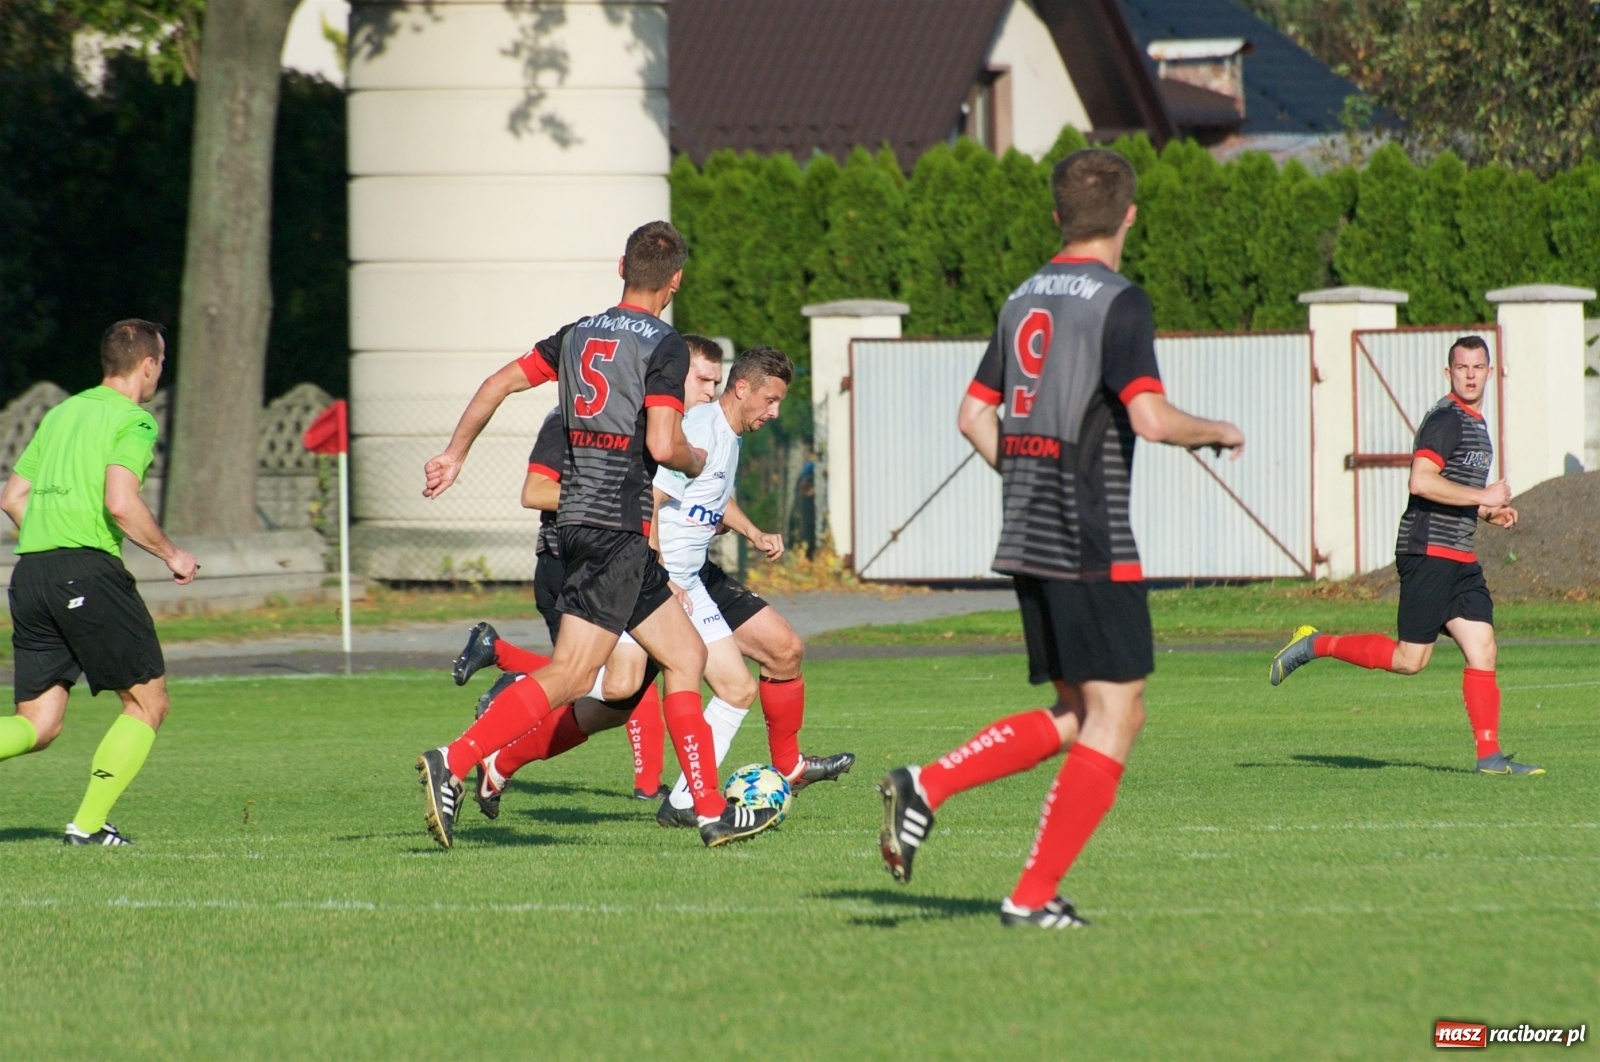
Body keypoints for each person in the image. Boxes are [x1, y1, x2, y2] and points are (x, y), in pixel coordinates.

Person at [877, 149, 1245, 929]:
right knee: (1121, 713)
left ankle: (929, 784)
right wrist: (1214, 430)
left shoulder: (1022, 297)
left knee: (1080, 712)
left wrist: (1024, 479)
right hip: (1088, 536)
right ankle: (1030, 895)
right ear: (1130, 216)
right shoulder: (1119, 301)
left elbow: (974, 416)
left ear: (1056, 216)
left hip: (1027, 534)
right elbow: (1148, 417)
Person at [414, 221, 781, 849]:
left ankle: (711, 810)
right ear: (675, 283)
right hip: (616, 524)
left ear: (621, 268)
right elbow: (664, 444)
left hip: (586, 524)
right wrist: (696, 459)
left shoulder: (577, 333)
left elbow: (500, 382)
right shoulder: (664, 346)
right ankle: (458, 757)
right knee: (571, 674)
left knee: (686, 656)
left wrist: (455, 452)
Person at [455, 345, 854, 826]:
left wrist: (750, 530)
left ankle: (687, 800)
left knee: (731, 687)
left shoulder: (727, 435)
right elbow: (653, 498)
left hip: (689, 580)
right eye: (770, 401)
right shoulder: (698, 428)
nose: (774, 412)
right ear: (743, 388)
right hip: (652, 578)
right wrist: (660, 571)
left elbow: (707, 496)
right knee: (614, 687)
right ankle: (512, 694)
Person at [447, 336, 727, 811]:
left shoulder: (654, 421)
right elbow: (536, 490)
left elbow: (659, 495)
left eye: (714, 383)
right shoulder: (572, 421)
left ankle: (703, 806)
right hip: (580, 560)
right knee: (598, 679)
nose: (706, 391)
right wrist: (613, 510)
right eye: (701, 379)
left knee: (636, 681)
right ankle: (492, 713)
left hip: (626, 557)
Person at [1269, 335, 1541, 776]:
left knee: (1483, 647)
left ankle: (1489, 758)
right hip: (1427, 552)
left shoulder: (1477, 424)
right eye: (1462, 368)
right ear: (1448, 372)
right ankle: (1315, 644)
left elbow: (1452, 490)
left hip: (1459, 557)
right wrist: (1482, 493)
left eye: (1478, 367)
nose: (1470, 375)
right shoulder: (1445, 420)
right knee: (1409, 660)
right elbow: (1421, 481)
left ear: (1491, 372)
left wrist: (1489, 511)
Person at [0, 319, 199, 845]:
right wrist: (172, 554)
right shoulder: (132, 421)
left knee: (37, 725)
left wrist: (54, 539)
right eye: (161, 363)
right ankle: (88, 827)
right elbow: (120, 501)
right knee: (147, 702)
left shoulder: (62, 413)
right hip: (85, 571)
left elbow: (12, 497)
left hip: (32, 573)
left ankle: (89, 826)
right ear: (149, 364)